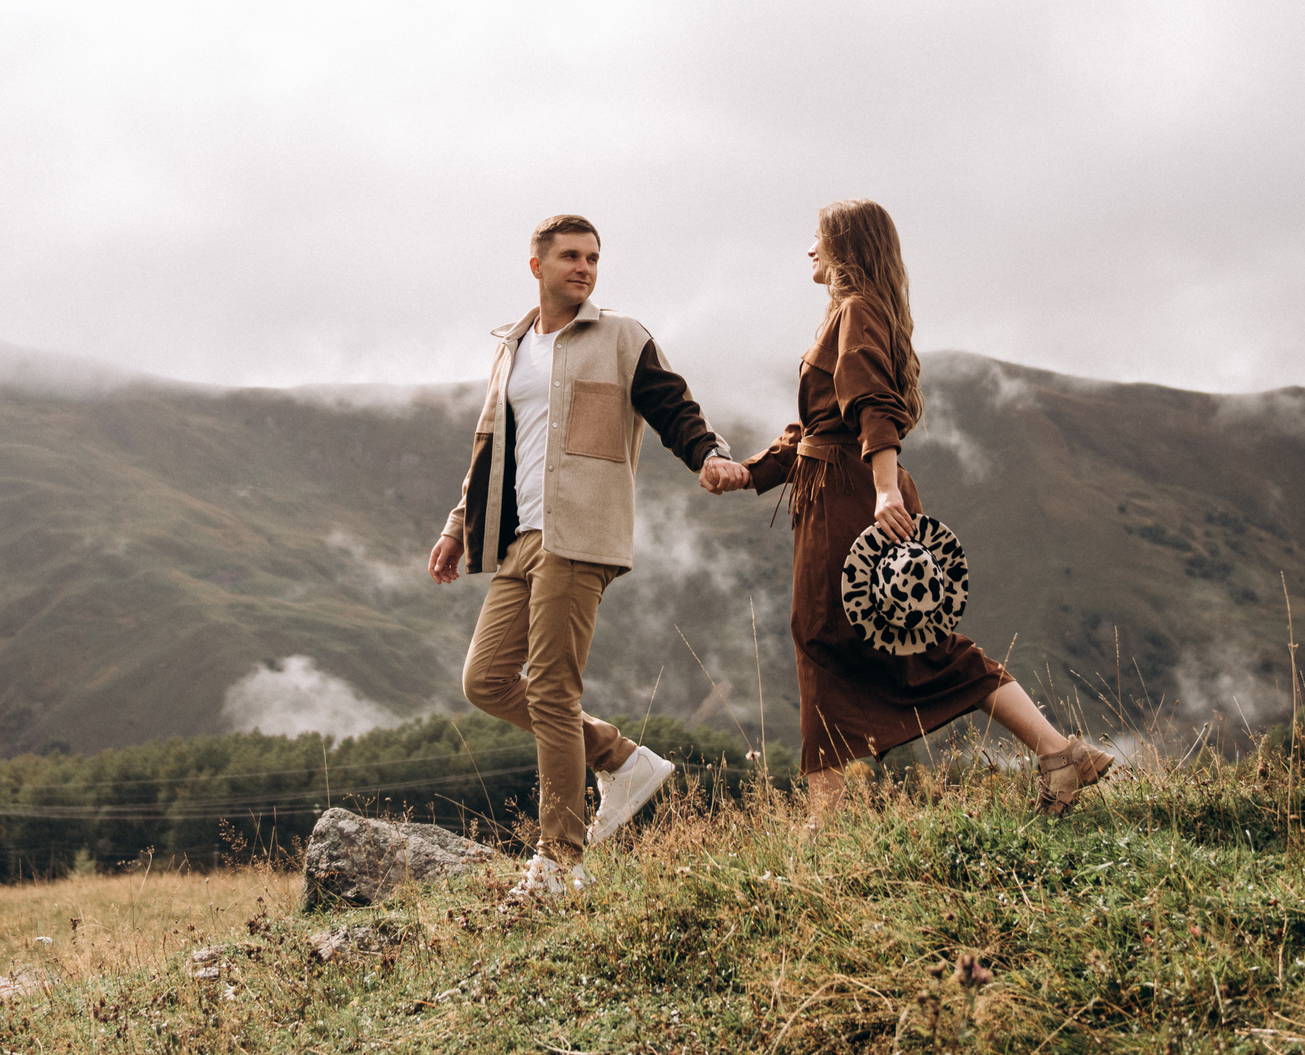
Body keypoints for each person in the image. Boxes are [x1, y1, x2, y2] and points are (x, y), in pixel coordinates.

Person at [713, 199, 1113, 818]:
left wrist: (886, 490)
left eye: (818, 239)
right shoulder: (856, 313)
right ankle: (1059, 754)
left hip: (850, 494)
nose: (809, 250)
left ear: (845, 247)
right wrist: (750, 474)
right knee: (883, 636)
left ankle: (826, 824)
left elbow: (872, 405)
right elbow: (814, 428)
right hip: (839, 486)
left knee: (836, 638)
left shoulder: (855, 311)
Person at [428, 213, 751, 901]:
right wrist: (459, 524)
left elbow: (673, 405)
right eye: (571, 256)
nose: (584, 267)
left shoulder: (620, 337)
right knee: (485, 680)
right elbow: (490, 448)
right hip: (522, 537)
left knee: (549, 687)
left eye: (594, 257)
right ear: (536, 264)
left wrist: (710, 455)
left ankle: (558, 861)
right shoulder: (513, 348)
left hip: (583, 532)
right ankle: (617, 757)